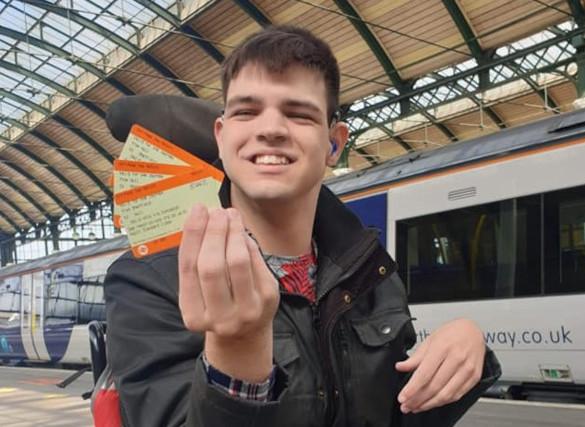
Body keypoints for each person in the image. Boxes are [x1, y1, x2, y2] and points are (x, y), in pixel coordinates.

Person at [104, 25, 500, 427]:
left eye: (298, 113)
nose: (271, 129)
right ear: (220, 137)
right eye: (246, 111)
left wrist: (467, 348)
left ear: (334, 143)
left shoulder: (371, 275)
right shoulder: (149, 281)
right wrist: (236, 354)